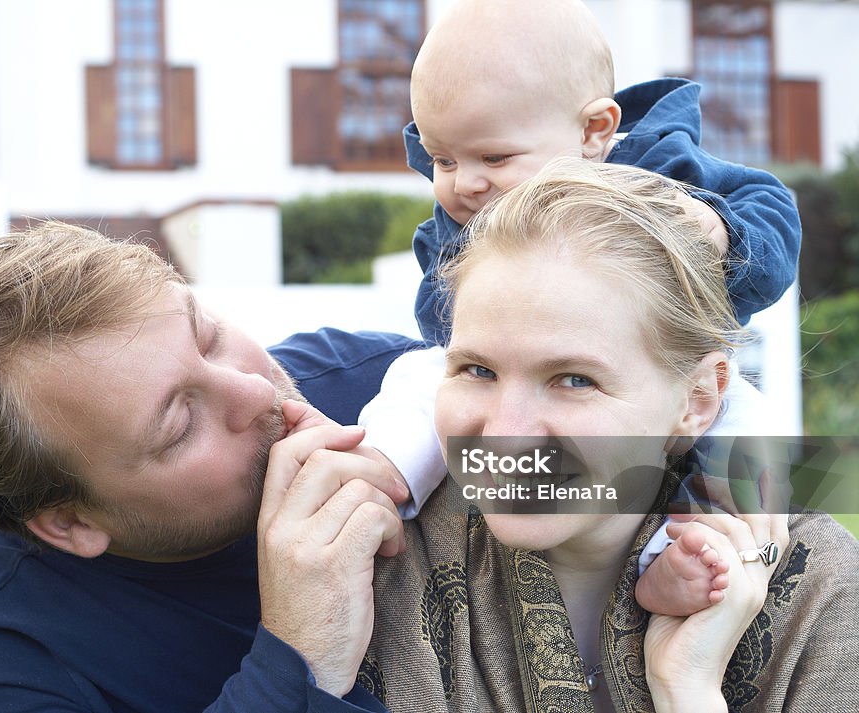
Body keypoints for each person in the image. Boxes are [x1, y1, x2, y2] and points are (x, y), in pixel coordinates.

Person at [356, 159, 859, 712]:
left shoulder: (822, 597)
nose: (506, 434)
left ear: (698, 400)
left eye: (575, 380)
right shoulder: (373, 574)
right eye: (478, 370)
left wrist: (686, 689)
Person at [359, 0, 801, 618]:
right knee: (414, 376)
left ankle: (700, 550)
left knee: (751, 431)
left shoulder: (657, 170)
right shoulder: (468, 214)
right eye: (442, 160)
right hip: (495, 363)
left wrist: (723, 231)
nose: (463, 184)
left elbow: (772, 209)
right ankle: (381, 478)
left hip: (670, 372)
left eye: (493, 158)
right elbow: (444, 326)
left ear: (594, 131)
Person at [0, 221, 419, 712]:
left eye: (209, 338)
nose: (255, 389)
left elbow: (507, 469)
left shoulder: (380, 387)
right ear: (72, 523)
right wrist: (300, 664)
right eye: (180, 425)